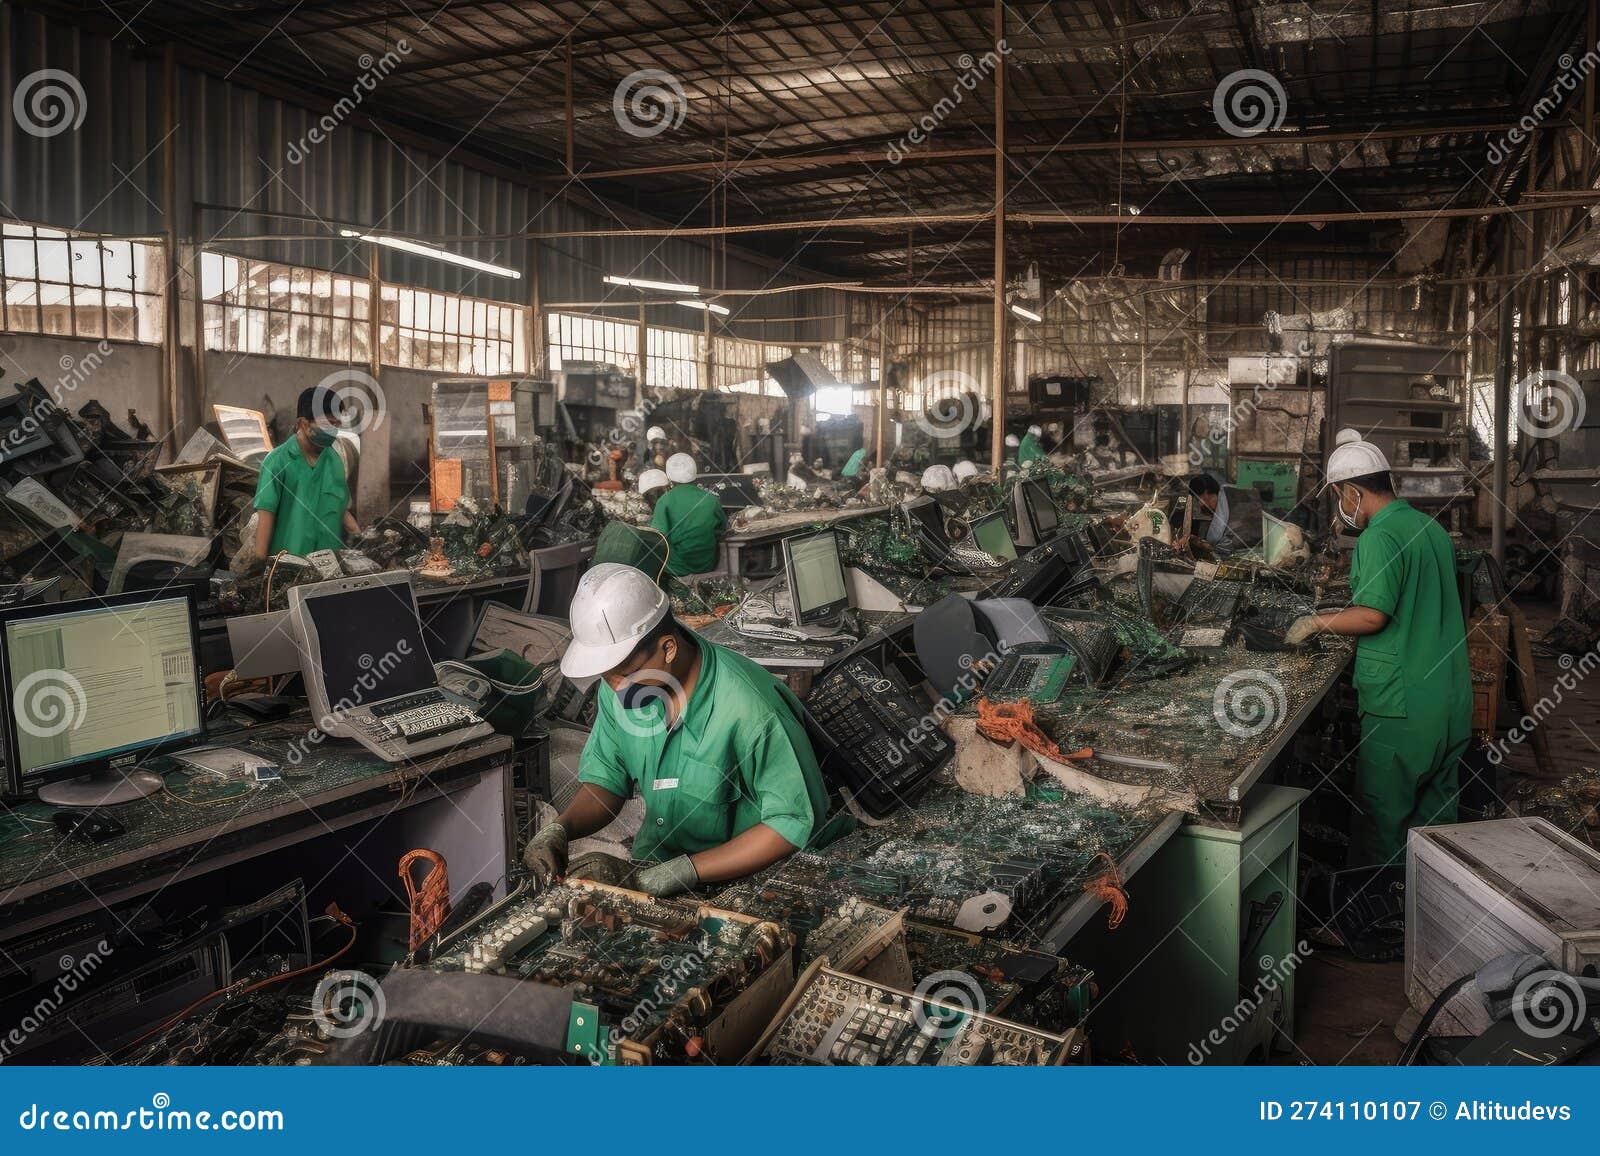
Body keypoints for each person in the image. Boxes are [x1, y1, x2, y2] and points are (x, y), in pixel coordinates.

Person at [523, 564, 832, 896]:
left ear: (668, 648)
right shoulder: (623, 691)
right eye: (605, 677)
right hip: (654, 864)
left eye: (623, 674)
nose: (613, 690)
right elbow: (606, 779)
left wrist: (687, 870)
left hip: (745, 880)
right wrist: (560, 829)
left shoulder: (750, 709)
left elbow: (789, 824)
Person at [1286, 430, 1470, 864]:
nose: (1341, 509)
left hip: (1400, 709)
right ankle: (1428, 915)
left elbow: (1373, 615)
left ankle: (1374, 922)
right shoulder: (1430, 527)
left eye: (1339, 499)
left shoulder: (1378, 537)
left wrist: (1314, 623)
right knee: (1436, 824)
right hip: (1447, 702)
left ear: (1353, 492)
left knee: (1380, 821)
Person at [251, 385, 359, 561]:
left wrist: (360, 536)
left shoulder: (334, 461)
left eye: (336, 424)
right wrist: (260, 562)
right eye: (327, 423)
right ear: (303, 423)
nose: (333, 430)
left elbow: (339, 506)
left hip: (329, 564)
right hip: (290, 563)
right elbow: (266, 516)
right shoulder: (277, 461)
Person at [650, 453, 728, 576]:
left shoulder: (664, 501)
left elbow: (657, 536)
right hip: (707, 564)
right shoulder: (711, 499)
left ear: (669, 477)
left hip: (677, 568)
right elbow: (722, 530)